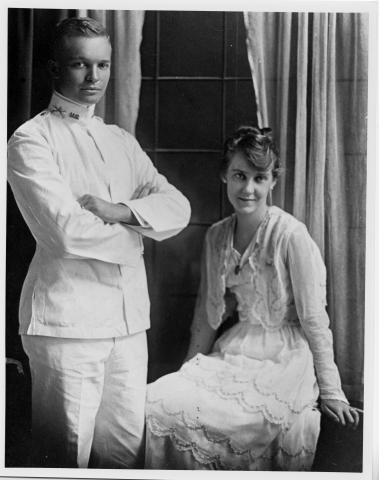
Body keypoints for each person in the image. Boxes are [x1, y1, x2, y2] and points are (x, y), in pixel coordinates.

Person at [7, 16, 191, 469]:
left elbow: (179, 206)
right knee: (65, 457)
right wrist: (143, 235)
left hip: (128, 324)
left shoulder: (120, 141)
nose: (94, 78)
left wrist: (122, 212)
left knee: (125, 456)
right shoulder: (30, 141)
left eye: (103, 65)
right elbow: (68, 232)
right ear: (55, 69)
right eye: (80, 65)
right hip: (67, 324)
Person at [145, 126, 359, 471]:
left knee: (255, 425)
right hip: (237, 350)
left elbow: (314, 320)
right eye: (239, 176)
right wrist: (186, 374)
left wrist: (332, 390)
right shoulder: (216, 236)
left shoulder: (291, 235)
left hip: (287, 356)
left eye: (259, 178)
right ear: (224, 177)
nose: (248, 189)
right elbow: (205, 316)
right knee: (160, 401)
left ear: (272, 182)